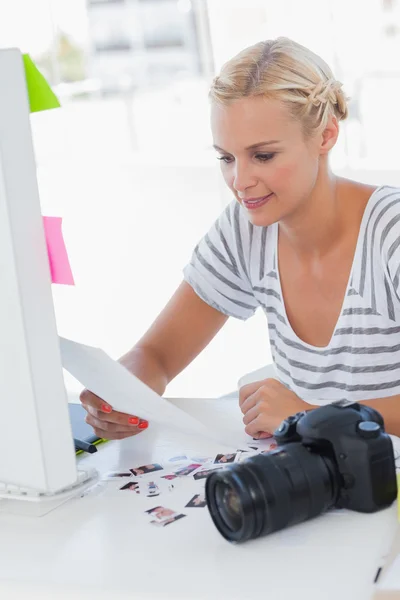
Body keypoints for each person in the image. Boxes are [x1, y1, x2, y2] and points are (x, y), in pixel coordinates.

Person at [80, 37, 400, 440]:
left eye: (263, 156)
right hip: (320, 482)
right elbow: (156, 355)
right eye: (226, 158)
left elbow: (310, 417)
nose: (240, 182)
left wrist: (310, 415)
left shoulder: (390, 232)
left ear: (326, 135)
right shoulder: (246, 229)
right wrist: (120, 394)